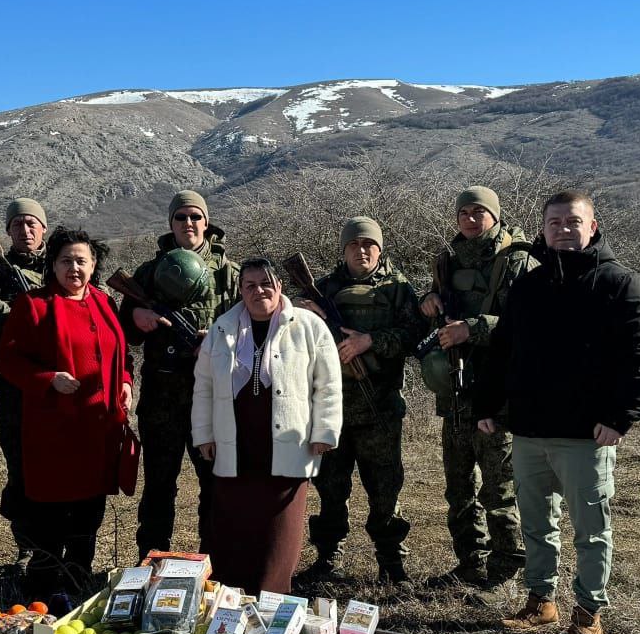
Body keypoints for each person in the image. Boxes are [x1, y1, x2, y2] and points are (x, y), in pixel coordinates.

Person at [474, 191, 640, 634]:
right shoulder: (530, 286)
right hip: (530, 430)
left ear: (592, 227)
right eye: (554, 222)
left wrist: (619, 417)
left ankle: (588, 615)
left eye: (572, 221)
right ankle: (541, 601)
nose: (562, 229)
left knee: (590, 530)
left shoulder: (620, 283)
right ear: (543, 230)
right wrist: (488, 406)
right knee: (536, 522)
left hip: (586, 434)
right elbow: (502, 353)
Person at [0, 226, 133, 602]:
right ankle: (44, 586)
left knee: (90, 509)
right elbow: (6, 358)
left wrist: (125, 381)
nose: (74, 268)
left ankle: (79, 578)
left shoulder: (104, 302)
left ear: (94, 265)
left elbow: (119, 352)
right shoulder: (34, 305)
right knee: (53, 512)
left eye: (81, 261)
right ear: (52, 265)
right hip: (54, 430)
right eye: (66, 261)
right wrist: (47, 378)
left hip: (99, 427)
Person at [193, 258, 342, 595]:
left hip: (288, 442)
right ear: (241, 291)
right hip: (237, 441)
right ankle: (229, 598)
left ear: (279, 287)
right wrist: (204, 434)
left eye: (265, 283)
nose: (258, 290)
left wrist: (324, 431)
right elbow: (203, 386)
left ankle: (271, 598)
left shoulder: (308, 326)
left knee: (280, 529)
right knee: (233, 523)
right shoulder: (222, 329)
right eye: (250, 285)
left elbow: (328, 383)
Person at [418, 187, 535, 599]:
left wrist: (474, 327)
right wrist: (428, 301)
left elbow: (529, 323)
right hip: (455, 392)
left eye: (479, 212)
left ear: (495, 216)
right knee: (459, 487)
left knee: (499, 489)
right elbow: (436, 305)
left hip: (497, 394)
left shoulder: (518, 259)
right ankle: (471, 564)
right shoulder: (448, 258)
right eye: (463, 212)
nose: (470, 219)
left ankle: (505, 574)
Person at [295, 217, 424, 586]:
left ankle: (390, 560)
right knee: (331, 488)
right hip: (333, 410)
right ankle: (327, 557)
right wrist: (307, 315)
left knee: (385, 488)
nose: (362, 250)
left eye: (369, 244)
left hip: (380, 407)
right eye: (354, 245)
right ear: (344, 249)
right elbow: (299, 340)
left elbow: (415, 335)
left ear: (380, 250)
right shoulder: (324, 290)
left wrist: (371, 341)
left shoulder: (398, 288)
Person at [119, 190, 239, 558]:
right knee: (158, 484)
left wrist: (219, 341)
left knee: (216, 484)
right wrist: (135, 318)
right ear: (170, 223)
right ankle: (151, 560)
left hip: (213, 395)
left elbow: (252, 329)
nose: (189, 224)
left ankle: (215, 561)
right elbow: (123, 331)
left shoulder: (229, 274)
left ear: (207, 223)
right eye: (181, 218)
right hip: (161, 395)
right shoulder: (149, 273)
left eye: (195, 217)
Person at [0, 198, 51, 575]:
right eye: (18, 224)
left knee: (57, 462)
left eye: (32, 223)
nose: (26, 230)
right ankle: (28, 547)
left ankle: (58, 545)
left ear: (44, 229)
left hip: (57, 383)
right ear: (8, 232)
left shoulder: (59, 265)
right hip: (15, 386)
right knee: (20, 465)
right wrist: (21, 313)